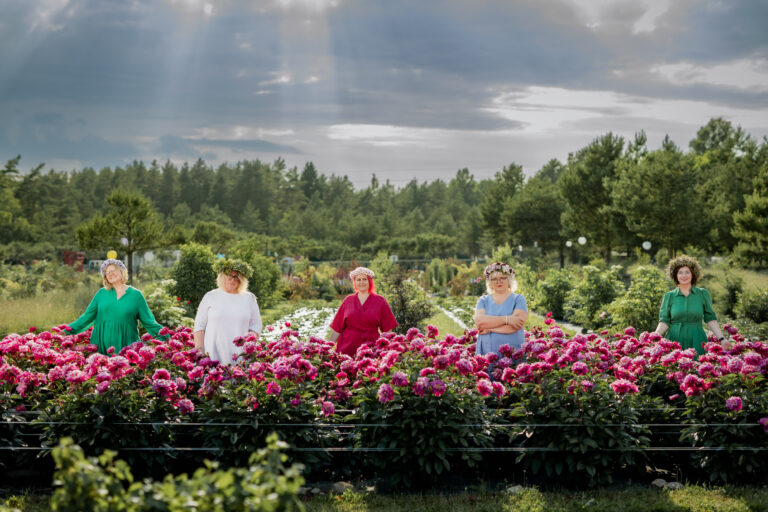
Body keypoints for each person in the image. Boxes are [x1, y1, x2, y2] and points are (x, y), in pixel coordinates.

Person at [67, 259, 167, 354]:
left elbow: (149, 321)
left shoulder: (136, 295)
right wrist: (67, 330)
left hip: (128, 346)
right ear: (106, 277)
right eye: (107, 272)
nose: (111, 274)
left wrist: (167, 336)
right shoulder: (101, 293)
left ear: (121, 271)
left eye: (113, 270)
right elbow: (87, 317)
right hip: (101, 346)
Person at [654, 255, 730, 356]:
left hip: (697, 339)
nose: (684, 275)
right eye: (680, 272)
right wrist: (654, 337)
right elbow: (664, 321)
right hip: (674, 339)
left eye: (687, 272)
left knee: (698, 368)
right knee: (673, 369)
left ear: (693, 274)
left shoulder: (703, 294)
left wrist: (722, 339)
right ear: (675, 275)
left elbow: (711, 319)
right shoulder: (669, 296)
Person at [194, 259, 262, 365]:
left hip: (240, 355)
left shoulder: (249, 298)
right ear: (222, 277)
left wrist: (249, 347)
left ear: (241, 279)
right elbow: (199, 325)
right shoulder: (210, 296)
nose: (233, 279)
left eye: (236, 276)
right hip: (212, 352)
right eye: (229, 275)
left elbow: (256, 325)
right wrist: (199, 350)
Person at [328, 266, 397, 357]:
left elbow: (388, 330)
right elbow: (337, 328)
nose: (362, 282)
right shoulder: (348, 300)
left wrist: (388, 351)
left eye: (364, 279)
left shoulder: (380, 301)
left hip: (371, 351)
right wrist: (327, 349)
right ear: (355, 283)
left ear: (370, 281)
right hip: (346, 351)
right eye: (358, 280)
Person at [473, 262, 528, 361]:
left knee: (512, 375)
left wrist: (490, 329)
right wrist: (507, 319)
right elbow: (480, 322)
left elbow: (515, 326)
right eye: (494, 279)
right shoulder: (483, 300)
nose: (499, 281)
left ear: (509, 280)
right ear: (490, 282)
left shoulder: (519, 299)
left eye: (502, 278)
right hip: (487, 350)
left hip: (512, 350)